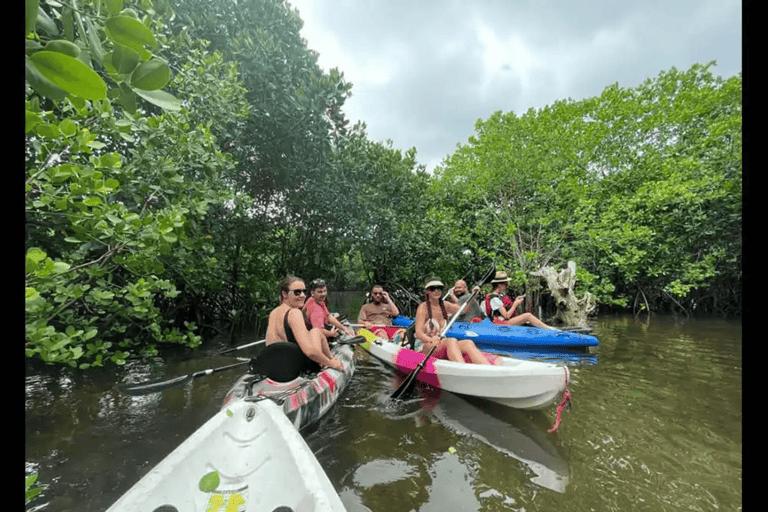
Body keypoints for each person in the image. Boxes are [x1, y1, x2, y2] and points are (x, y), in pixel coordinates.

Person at [266, 275, 344, 371]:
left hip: (278, 364)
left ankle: (329, 358)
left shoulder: (273, 312)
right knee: (316, 331)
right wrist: (331, 364)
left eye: (303, 291)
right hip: (295, 366)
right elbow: (310, 352)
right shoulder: (294, 313)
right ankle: (331, 359)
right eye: (297, 292)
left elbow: (269, 344)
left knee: (314, 332)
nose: (302, 295)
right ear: (284, 294)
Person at [414, 277, 491, 364]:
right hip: (425, 344)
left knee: (468, 343)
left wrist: (472, 295)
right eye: (433, 289)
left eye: (439, 289)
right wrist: (431, 340)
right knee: (451, 340)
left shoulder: (444, 305)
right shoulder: (423, 307)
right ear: (427, 291)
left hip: (440, 343)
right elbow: (419, 333)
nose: (436, 291)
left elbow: (464, 309)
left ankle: (489, 369)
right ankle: (463, 370)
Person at [484, 271, 557, 329]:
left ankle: (546, 328)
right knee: (527, 316)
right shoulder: (495, 299)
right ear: (499, 284)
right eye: (505, 283)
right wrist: (515, 304)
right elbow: (506, 316)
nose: (506, 285)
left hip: (503, 321)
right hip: (500, 323)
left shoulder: (500, 296)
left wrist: (515, 300)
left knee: (527, 319)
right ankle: (550, 329)